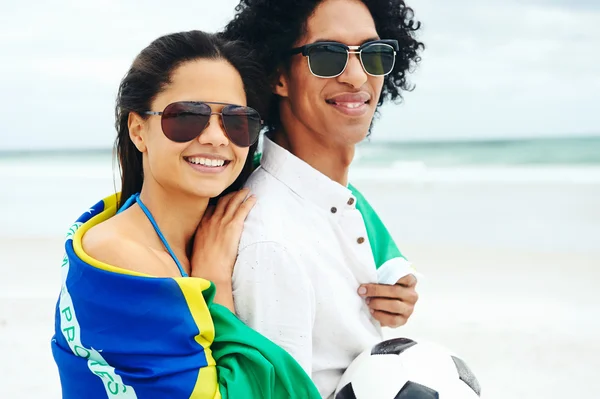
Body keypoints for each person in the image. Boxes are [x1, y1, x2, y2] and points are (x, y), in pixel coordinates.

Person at [50, 30, 320, 399]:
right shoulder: (120, 256)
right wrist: (215, 284)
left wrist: (389, 264)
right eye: (187, 116)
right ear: (138, 130)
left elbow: (316, 178)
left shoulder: (212, 227)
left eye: (236, 121)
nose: (215, 137)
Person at [222, 0, 425, 397]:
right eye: (327, 55)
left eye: (373, 54)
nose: (356, 76)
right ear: (278, 75)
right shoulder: (272, 241)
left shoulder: (334, 197)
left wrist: (395, 284)